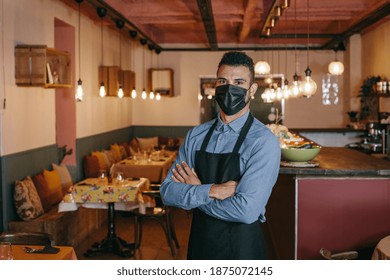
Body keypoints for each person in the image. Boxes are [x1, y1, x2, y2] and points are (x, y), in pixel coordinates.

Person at [160, 51, 281, 260]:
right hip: (200, 246)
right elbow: (168, 192)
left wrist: (197, 192)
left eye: (239, 82)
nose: (229, 88)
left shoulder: (263, 141)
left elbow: (246, 211)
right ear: (215, 86)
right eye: (223, 80)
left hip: (242, 252)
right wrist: (214, 190)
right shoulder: (196, 136)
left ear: (252, 89)